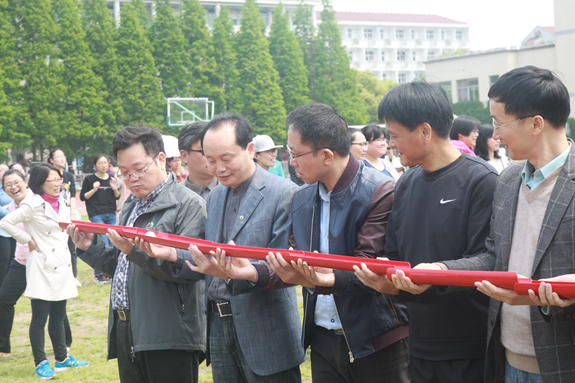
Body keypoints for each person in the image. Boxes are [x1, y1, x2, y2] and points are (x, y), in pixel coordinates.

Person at [395, 66, 575, 383]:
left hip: (561, 359)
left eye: (498, 123)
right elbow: (493, 257)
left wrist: (547, 295)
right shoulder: (507, 180)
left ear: (536, 124)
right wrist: (441, 271)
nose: (494, 135)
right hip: (505, 358)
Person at [141, 113, 304, 382]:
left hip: (265, 329)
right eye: (211, 160)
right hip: (218, 324)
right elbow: (206, 252)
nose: (218, 168)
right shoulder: (216, 194)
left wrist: (244, 271)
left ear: (250, 150)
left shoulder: (284, 193)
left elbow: (285, 268)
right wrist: (169, 252)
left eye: (226, 159)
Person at [354, 82, 497, 383]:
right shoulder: (406, 183)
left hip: (467, 348)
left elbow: (488, 259)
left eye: (395, 135)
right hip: (418, 342)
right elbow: (395, 254)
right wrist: (385, 279)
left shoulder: (480, 180)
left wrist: (437, 272)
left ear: (425, 131)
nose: (391, 143)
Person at [259, 103, 410, 383]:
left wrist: (317, 278)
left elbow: (367, 266)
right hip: (323, 338)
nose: (291, 162)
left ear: (326, 155)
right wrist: (250, 271)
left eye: (295, 154)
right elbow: (295, 257)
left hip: (376, 338)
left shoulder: (379, 190)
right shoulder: (302, 198)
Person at [68, 125, 208, 383]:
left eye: (139, 169)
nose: (132, 179)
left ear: (161, 159)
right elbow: (123, 265)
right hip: (127, 326)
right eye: (124, 173)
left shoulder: (188, 204)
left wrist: (134, 251)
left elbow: (190, 270)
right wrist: (89, 247)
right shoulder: (132, 203)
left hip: (169, 331)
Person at [0, 164, 88, 379]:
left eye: (59, 179)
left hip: (62, 262)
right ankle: (40, 362)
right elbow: (6, 222)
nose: (58, 183)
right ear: (40, 183)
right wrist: (27, 239)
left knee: (58, 316)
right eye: (53, 180)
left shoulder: (63, 200)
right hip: (41, 264)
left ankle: (62, 358)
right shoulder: (32, 204)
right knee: (40, 318)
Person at [80, 154, 120, 284]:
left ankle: (110, 272)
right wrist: (94, 189)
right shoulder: (90, 179)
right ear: (95, 166)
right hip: (96, 214)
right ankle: (99, 275)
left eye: (106, 163)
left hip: (110, 214)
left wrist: (114, 188)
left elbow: (117, 196)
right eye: (100, 163)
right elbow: (83, 197)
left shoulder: (112, 179)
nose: (103, 165)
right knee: (102, 242)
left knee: (112, 242)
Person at [49, 149, 81, 287]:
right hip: (53, 212)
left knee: (71, 245)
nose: (62, 159)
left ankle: (73, 276)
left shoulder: (68, 175)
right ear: (51, 160)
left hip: (67, 211)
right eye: (58, 157)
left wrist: (72, 212)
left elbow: (73, 194)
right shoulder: (48, 176)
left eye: (63, 156)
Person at [178, 122, 218, 201]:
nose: (213, 157)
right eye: (204, 152)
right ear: (185, 156)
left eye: (216, 150)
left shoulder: (234, 192)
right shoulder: (173, 196)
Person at [0, 162, 14, 287]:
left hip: (16, 227)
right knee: (4, 258)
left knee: (13, 258)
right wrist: (10, 209)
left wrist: (7, 208)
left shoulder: (13, 188)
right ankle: (3, 284)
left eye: (6, 169)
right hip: (3, 229)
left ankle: (11, 283)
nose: (3, 172)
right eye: (1, 170)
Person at [108, 157, 128, 222]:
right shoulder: (118, 174)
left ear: (110, 165)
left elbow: (117, 184)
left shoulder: (118, 176)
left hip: (118, 208)